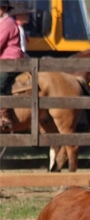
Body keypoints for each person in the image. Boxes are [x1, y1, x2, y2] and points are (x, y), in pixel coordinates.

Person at [0, 0, 26, 132]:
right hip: (3, 60)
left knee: (0, 82)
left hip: (10, 60)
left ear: (4, 8)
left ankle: (4, 116)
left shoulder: (7, 23)